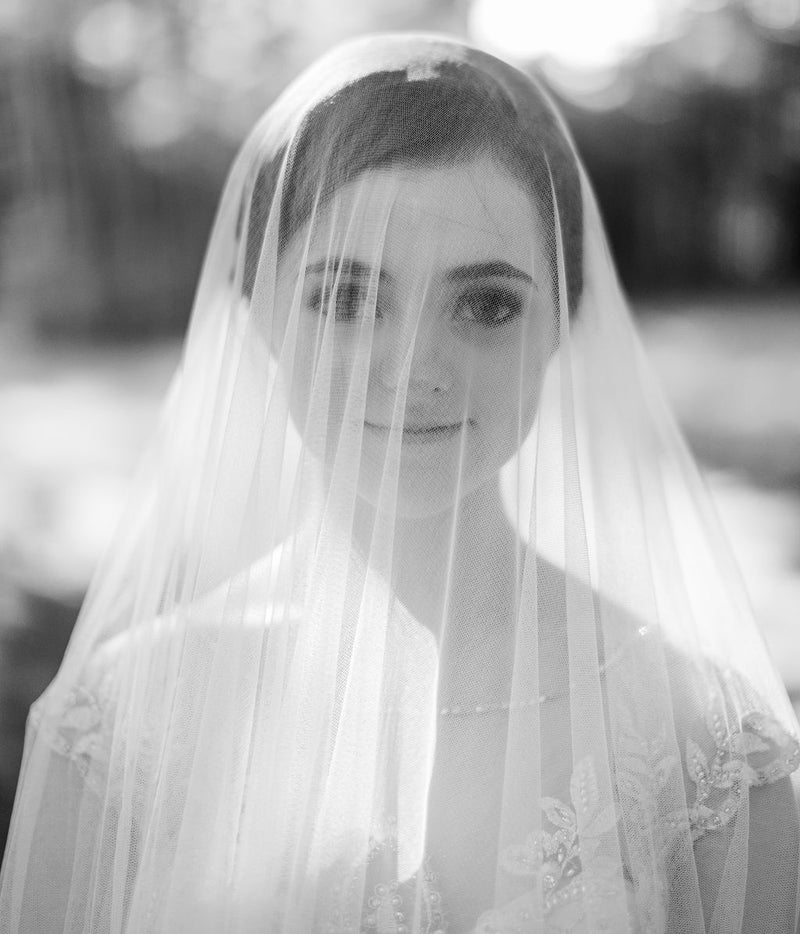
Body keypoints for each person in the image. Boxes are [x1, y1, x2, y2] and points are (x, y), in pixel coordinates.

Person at [1, 33, 798, 934]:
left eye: (486, 303)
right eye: (346, 298)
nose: (413, 367)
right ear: (261, 318)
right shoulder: (118, 729)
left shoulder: (710, 751)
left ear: (563, 322)